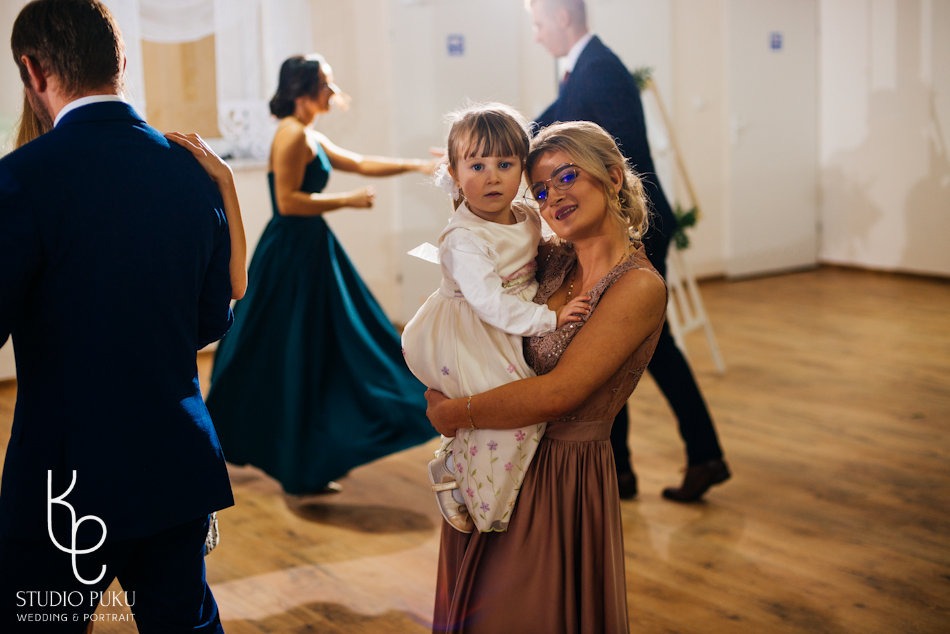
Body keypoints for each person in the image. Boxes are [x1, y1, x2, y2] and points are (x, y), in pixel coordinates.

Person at [0, 0, 236, 631]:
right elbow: (208, 323)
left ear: (33, 69)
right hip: (176, 460)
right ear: (121, 62)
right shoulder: (192, 173)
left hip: (67, 480)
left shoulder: (20, 178)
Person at [427, 120, 666, 633]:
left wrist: (455, 413)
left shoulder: (638, 286)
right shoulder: (550, 259)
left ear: (613, 177)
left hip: (561, 477)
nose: (552, 196)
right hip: (493, 458)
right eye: (539, 189)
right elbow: (473, 288)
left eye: (567, 177)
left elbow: (561, 393)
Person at [206, 54, 437, 495]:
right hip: (292, 253)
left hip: (309, 247)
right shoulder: (291, 135)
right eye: (326, 83)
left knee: (315, 348)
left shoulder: (306, 134)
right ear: (303, 89)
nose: (332, 91)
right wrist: (347, 201)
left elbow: (361, 162)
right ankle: (288, 455)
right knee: (293, 349)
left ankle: (306, 456)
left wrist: (417, 166)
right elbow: (287, 201)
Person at [529, 0, 730, 501]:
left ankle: (692, 455)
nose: (536, 35)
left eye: (537, 23)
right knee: (612, 343)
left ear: (561, 17)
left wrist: (625, 232)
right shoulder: (583, 69)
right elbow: (546, 126)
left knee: (644, 344)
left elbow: (624, 156)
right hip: (620, 227)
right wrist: (490, 154)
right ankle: (628, 467)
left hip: (632, 227)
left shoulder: (599, 69)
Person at [401, 103, 591, 534]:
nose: (492, 177)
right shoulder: (464, 238)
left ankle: (474, 475)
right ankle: (459, 475)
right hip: (471, 330)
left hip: (505, 321)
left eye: (504, 164)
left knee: (515, 414)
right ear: (454, 173)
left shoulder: (526, 215)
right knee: (509, 410)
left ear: (522, 168)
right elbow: (490, 305)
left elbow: (536, 248)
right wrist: (550, 318)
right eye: (477, 166)